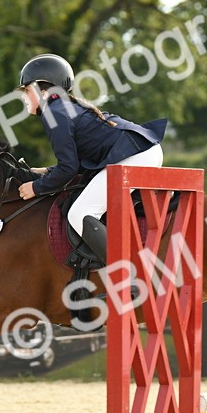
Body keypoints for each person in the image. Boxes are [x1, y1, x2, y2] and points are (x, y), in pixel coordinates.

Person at [15, 53, 167, 260]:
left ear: (38, 88)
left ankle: (126, 276)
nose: (23, 96)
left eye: (25, 90)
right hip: (142, 151)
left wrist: (36, 188)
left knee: (80, 215)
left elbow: (68, 169)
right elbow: (75, 164)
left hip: (135, 156)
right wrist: (45, 171)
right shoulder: (62, 107)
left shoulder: (54, 112)